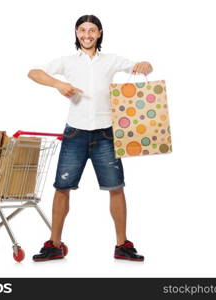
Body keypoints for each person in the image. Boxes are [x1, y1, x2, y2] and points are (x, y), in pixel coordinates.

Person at [28, 15, 152, 262]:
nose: (87, 35)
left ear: (99, 33)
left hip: (106, 134)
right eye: (82, 30)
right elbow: (33, 72)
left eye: (91, 30)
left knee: (116, 188)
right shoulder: (67, 62)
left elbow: (140, 66)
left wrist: (145, 65)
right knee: (62, 188)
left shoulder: (111, 60)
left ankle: (122, 245)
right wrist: (58, 84)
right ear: (76, 33)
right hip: (75, 133)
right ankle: (55, 245)